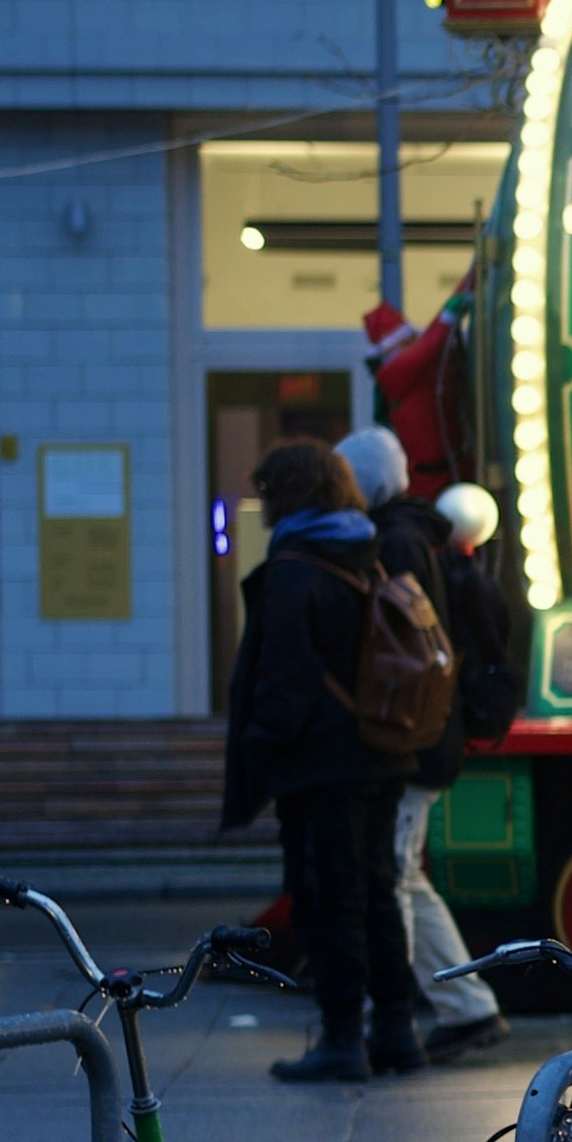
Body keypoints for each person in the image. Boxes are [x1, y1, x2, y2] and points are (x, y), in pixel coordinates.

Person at [220, 436, 421, 1081]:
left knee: (328, 899)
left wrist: (258, 753)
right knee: (377, 894)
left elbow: (284, 679)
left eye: (268, 491)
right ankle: (396, 1031)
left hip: (321, 766)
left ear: (291, 494)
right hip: (380, 753)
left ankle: (341, 1039)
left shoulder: (296, 568)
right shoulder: (371, 553)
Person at [345, 422, 506, 1051]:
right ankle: (464, 1003)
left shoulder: (396, 540)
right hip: (427, 735)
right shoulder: (414, 535)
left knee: (394, 876)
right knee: (403, 875)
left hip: (411, 737)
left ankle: (410, 1009)